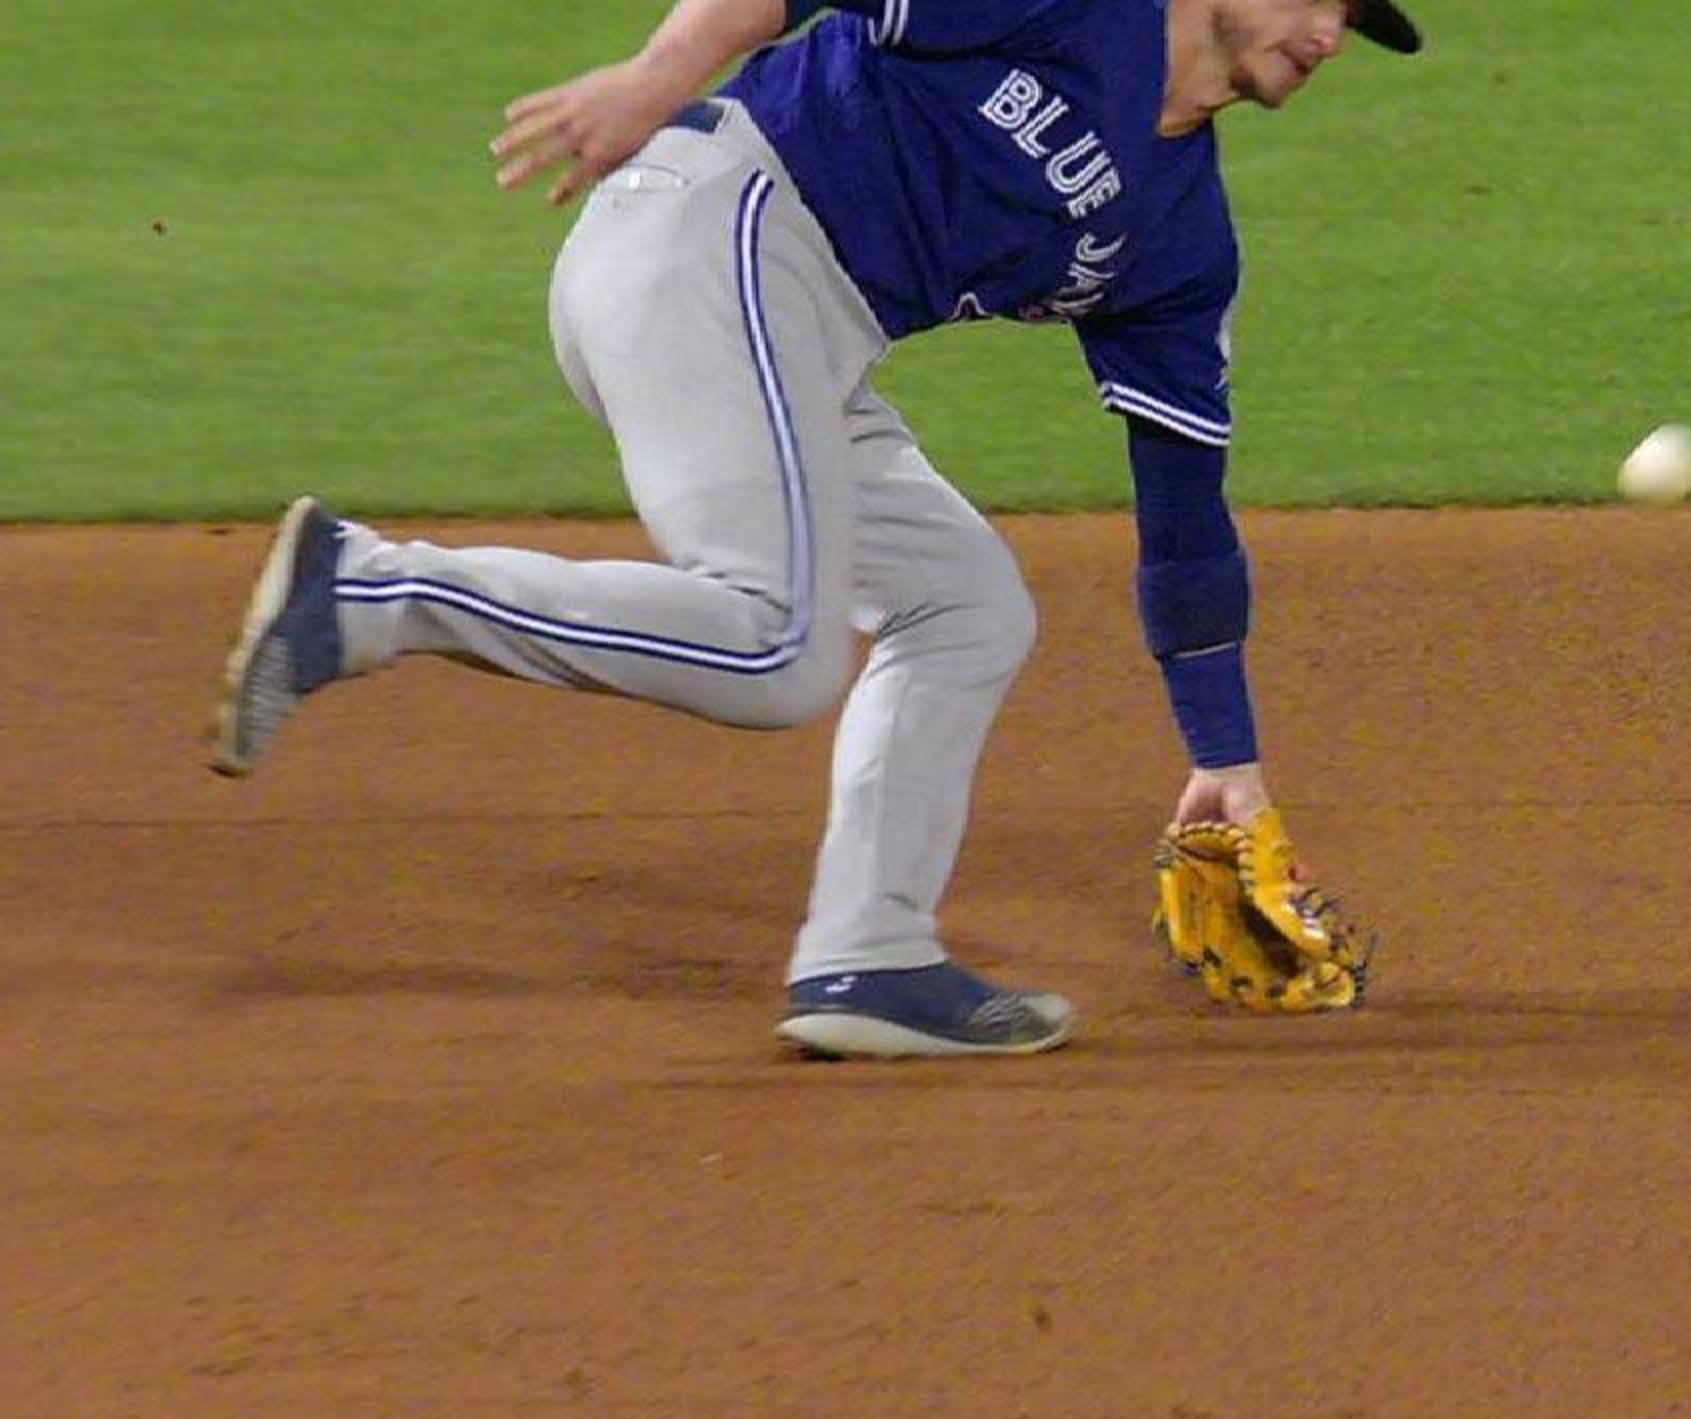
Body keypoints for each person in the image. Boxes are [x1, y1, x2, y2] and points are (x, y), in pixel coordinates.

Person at [207, 0, 1420, 1059]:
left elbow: (1186, 517)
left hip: (785, 330)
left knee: (967, 606)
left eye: (1352, 23)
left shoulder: (1179, 242)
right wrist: (650, 78)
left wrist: (1226, 758)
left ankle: (871, 956)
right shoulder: (1069, 5)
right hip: (715, 224)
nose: (1326, 35)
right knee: (776, 649)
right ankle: (371, 591)